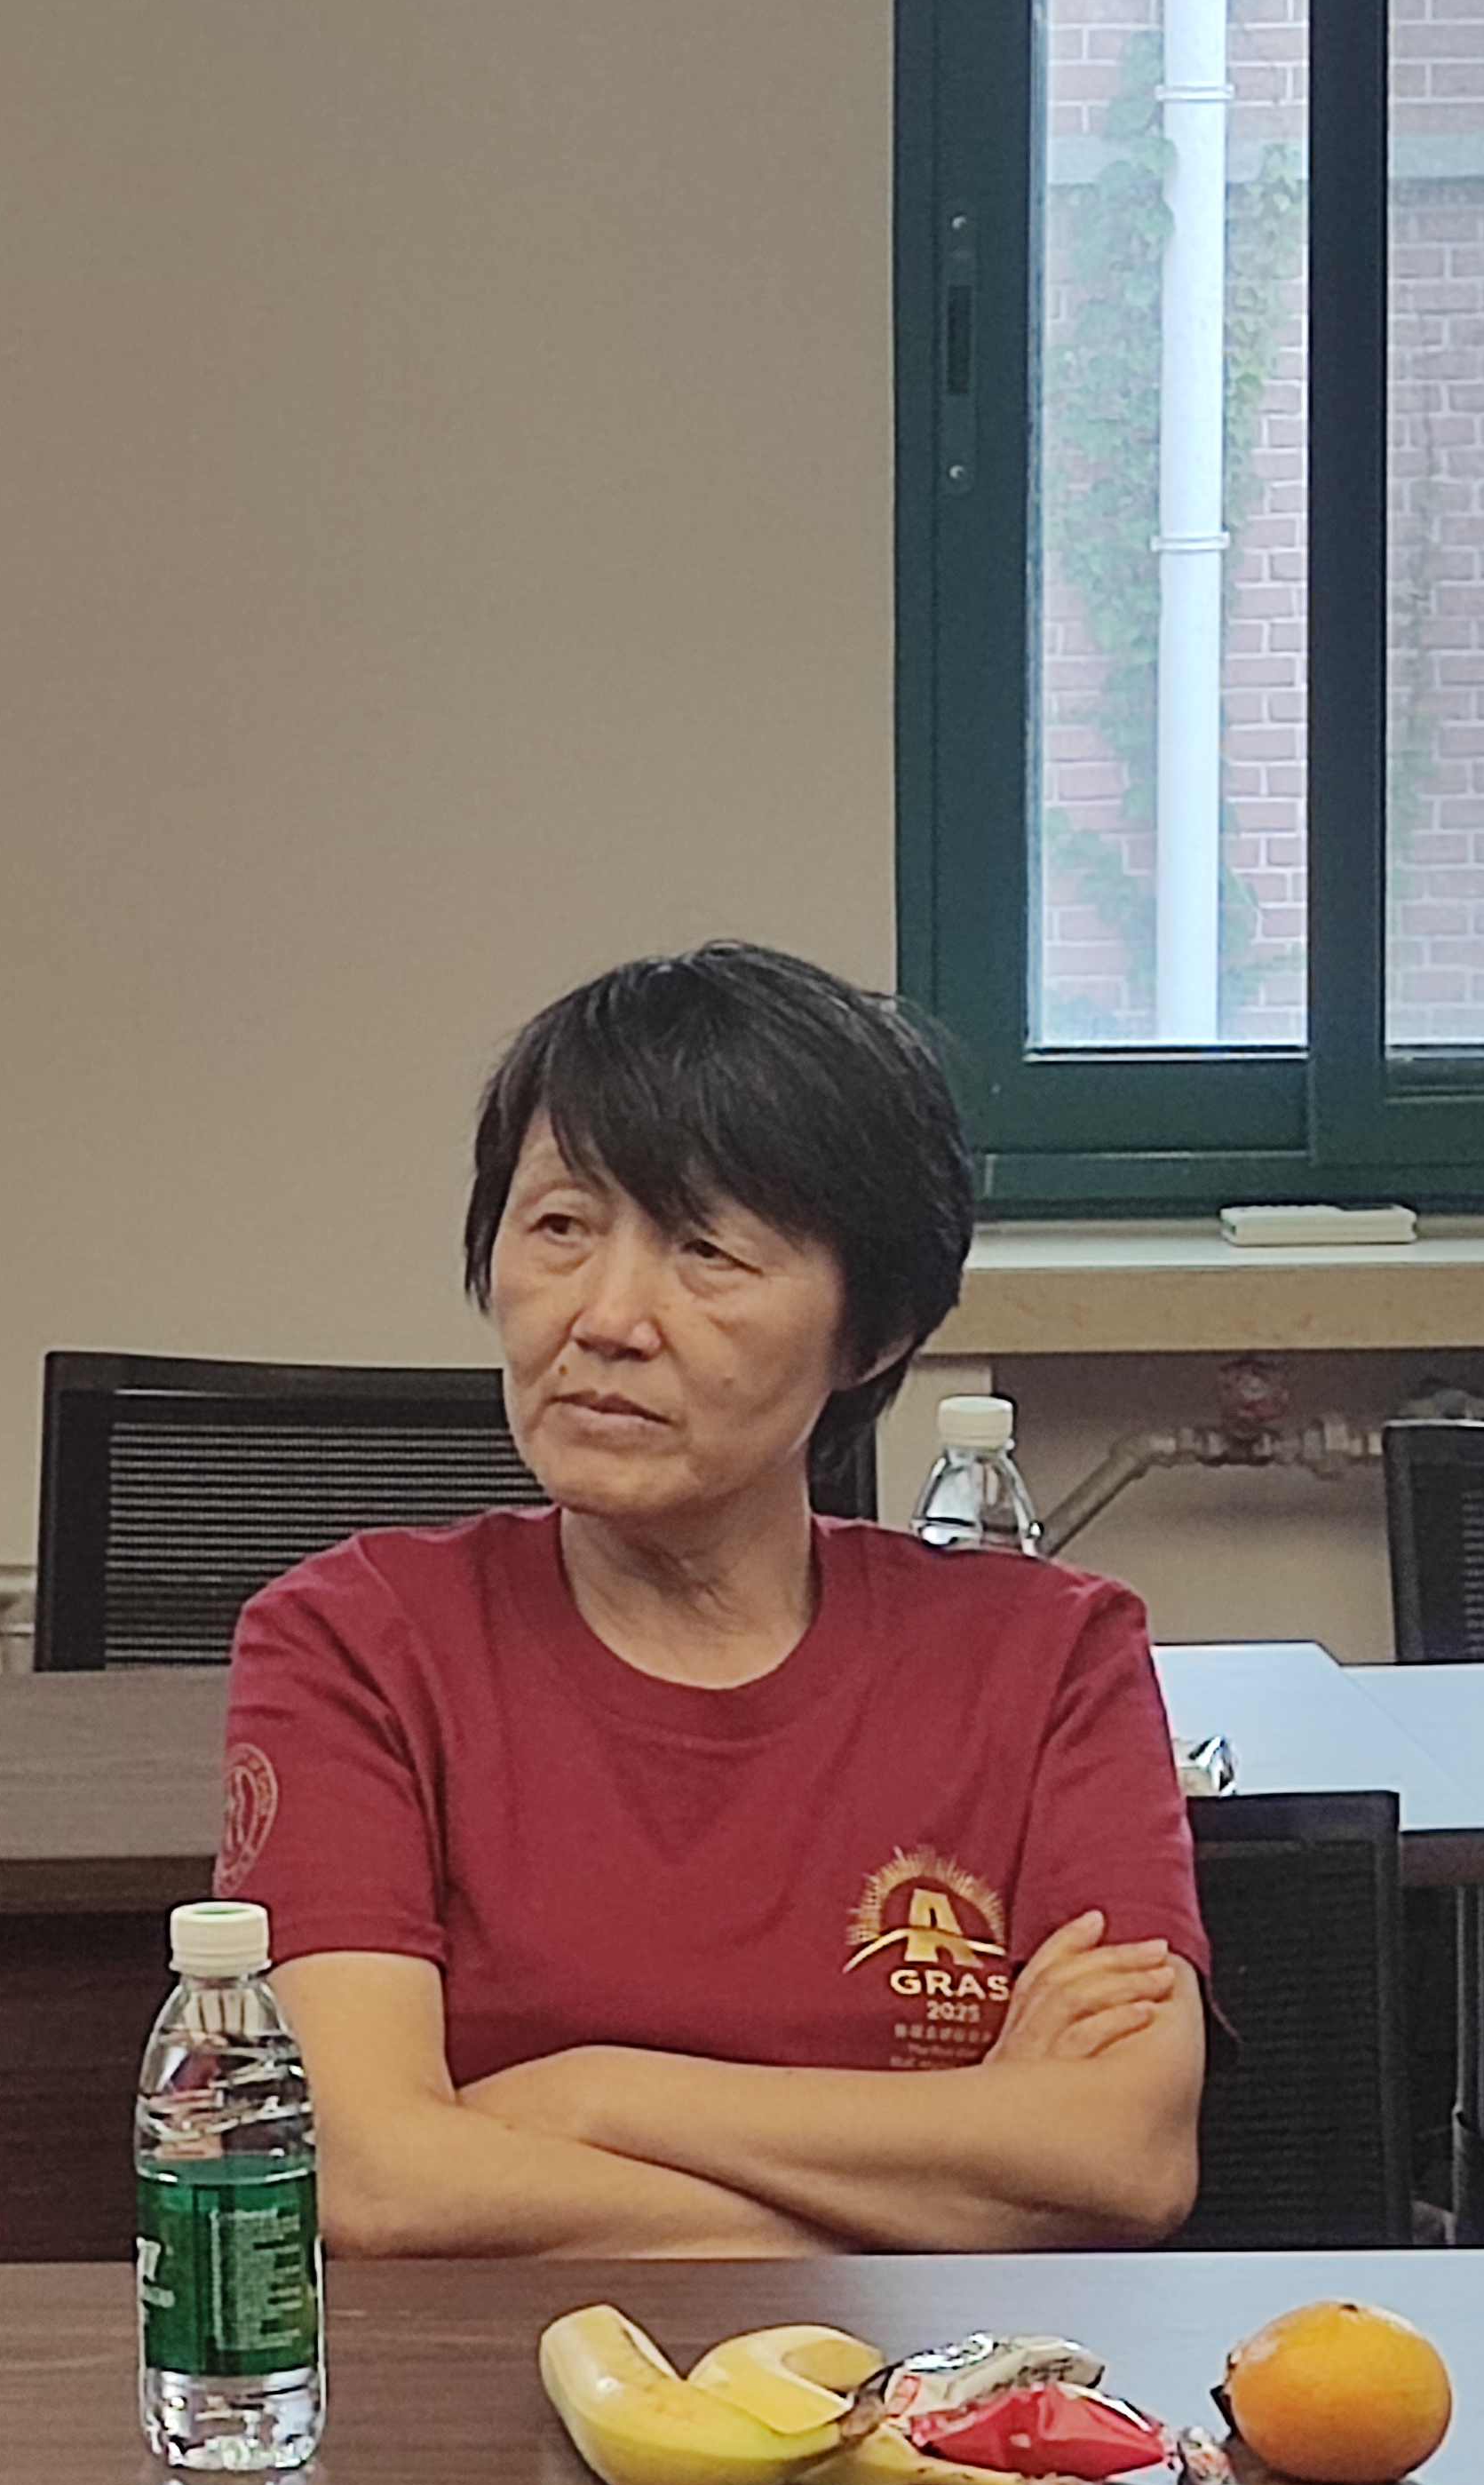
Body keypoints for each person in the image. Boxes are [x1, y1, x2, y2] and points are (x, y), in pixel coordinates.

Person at [218, 943, 1207, 2257]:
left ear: (872, 1333)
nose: (607, 1318)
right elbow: (378, 2183)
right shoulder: (357, 1640)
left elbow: (1126, 2155)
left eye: (706, 1250)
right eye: (560, 1229)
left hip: (934, 2394)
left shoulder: (1052, 1652)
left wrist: (588, 2096)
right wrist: (963, 2165)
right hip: (509, 2379)